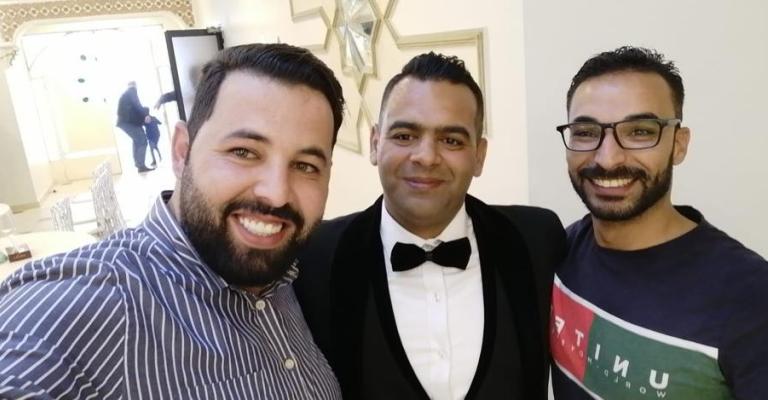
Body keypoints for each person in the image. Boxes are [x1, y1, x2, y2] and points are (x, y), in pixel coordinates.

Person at [0, 43, 345, 399]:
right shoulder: (93, 303)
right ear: (182, 151)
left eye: (306, 166)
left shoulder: (292, 273)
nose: (276, 194)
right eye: (243, 152)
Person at [295, 52, 566, 399]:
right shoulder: (313, 256)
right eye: (405, 135)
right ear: (376, 144)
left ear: (479, 155)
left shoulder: (537, 238)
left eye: (451, 140)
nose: (425, 157)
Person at [550, 46, 768, 399]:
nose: (608, 159)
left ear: (679, 145)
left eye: (639, 131)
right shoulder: (561, 250)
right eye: (586, 132)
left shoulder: (751, 295)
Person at [117, 81, 153, 173]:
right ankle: (141, 165)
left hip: (126, 122)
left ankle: (138, 164)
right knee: (142, 140)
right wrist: (146, 115)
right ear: (135, 86)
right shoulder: (132, 91)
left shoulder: (126, 94)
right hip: (128, 122)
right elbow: (137, 104)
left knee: (137, 141)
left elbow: (134, 107)